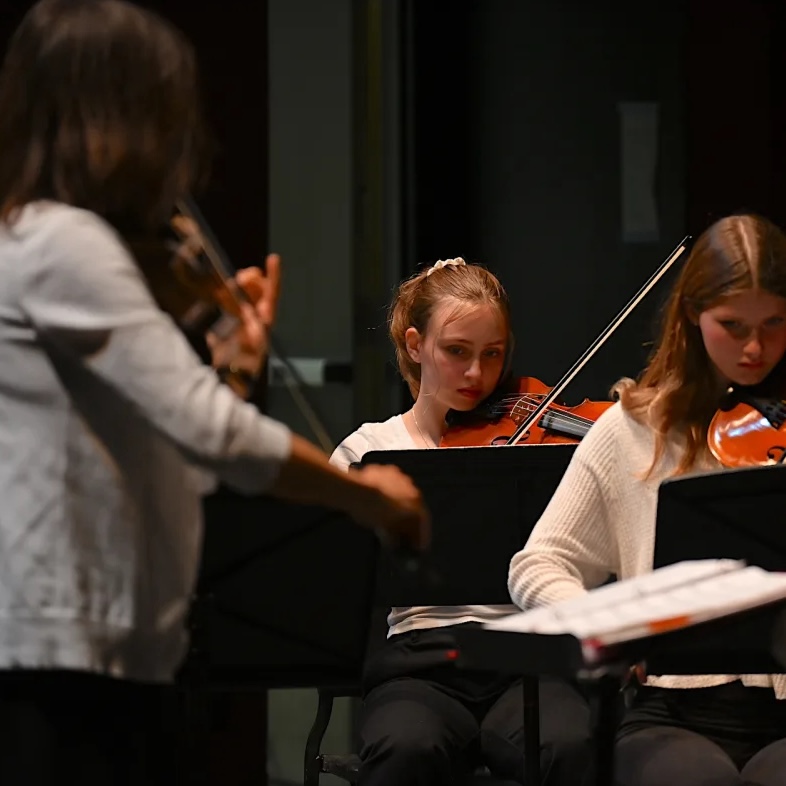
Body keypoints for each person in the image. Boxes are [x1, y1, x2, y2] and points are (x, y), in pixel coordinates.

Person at [0, 1, 429, 784]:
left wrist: (231, 371)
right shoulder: (65, 244)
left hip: (108, 650)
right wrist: (373, 499)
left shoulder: (53, 242)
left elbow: (179, 456)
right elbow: (218, 439)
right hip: (61, 659)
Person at [508, 213, 786, 786]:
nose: (756, 347)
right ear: (691, 315)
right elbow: (538, 563)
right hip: (672, 713)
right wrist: (604, 628)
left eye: (776, 324)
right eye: (732, 325)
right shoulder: (633, 428)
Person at [331, 257, 593, 785]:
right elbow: (334, 580)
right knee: (406, 746)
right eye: (457, 352)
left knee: (569, 744)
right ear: (414, 345)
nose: (477, 375)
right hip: (420, 667)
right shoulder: (371, 449)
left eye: (492, 355)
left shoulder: (536, 447)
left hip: (530, 663)